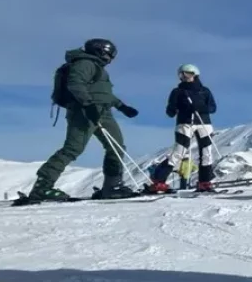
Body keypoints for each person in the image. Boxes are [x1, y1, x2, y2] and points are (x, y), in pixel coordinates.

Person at [25, 39, 140, 203]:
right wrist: (88, 105)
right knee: (72, 149)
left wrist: (122, 106)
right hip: (83, 112)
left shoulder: (98, 67)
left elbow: (103, 94)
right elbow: (75, 84)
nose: (110, 59)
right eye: (109, 54)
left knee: (116, 147)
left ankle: (112, 186)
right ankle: (42, 187)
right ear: (99, 51)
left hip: (103, 112)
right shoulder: (84, 63)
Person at [145, 64, 219, 193]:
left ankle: (204, 182)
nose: (184, 77)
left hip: (204, 123)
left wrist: (200, 108)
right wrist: (178, 108)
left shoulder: (204, 91)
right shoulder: (177, 91)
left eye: (187, 74)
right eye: (182, 74)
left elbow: (212, 108)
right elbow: (170, 111)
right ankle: (158, 181)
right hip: (185, 123)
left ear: (195, 75)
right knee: (179, 152)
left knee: (206, 152)